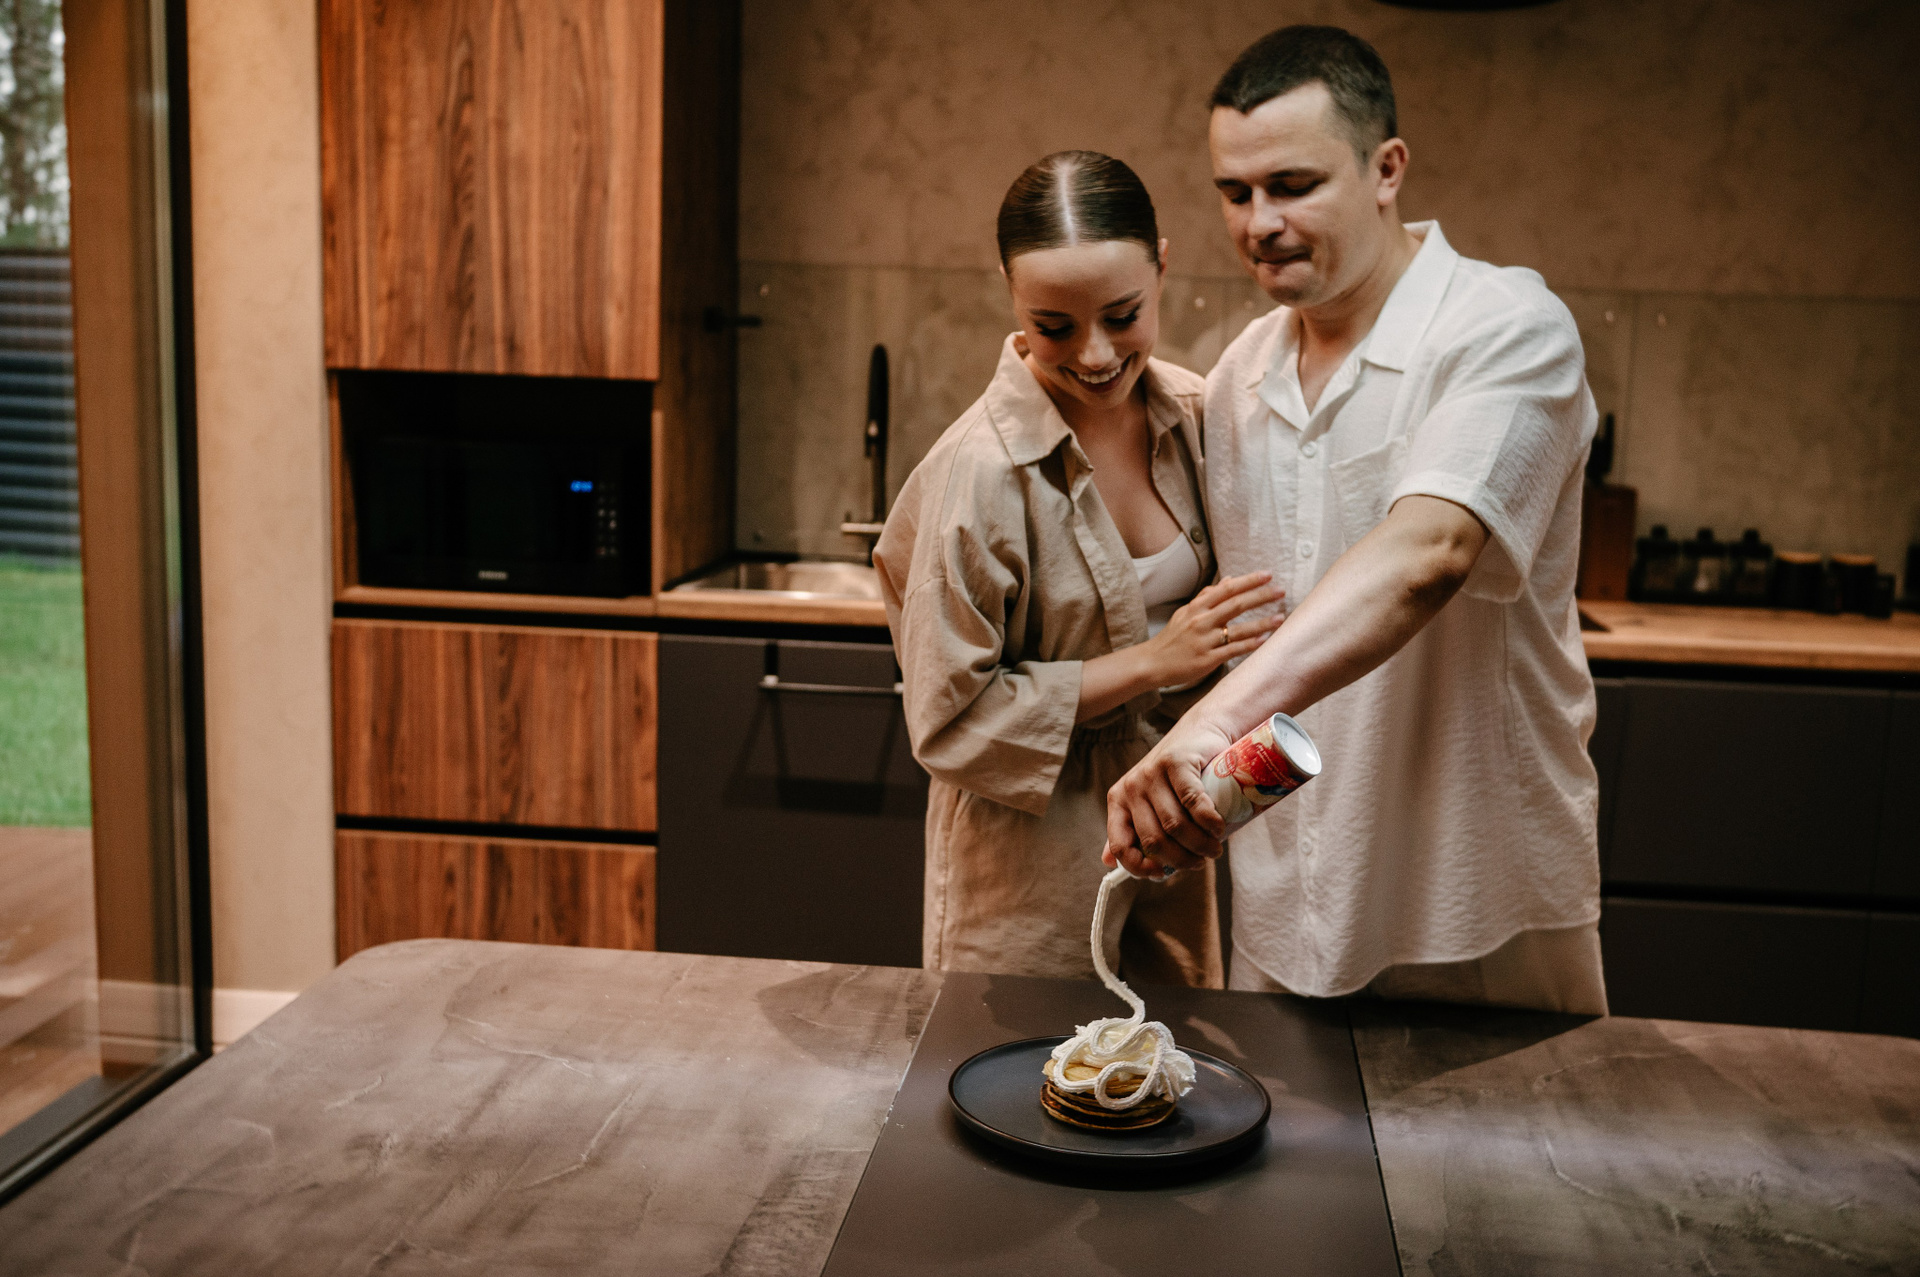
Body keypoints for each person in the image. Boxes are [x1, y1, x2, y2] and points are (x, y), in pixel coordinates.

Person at [1104, 26, 1608, 1015]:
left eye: (1293, 185)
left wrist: (1208, 722)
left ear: (1387, 169)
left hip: (1475, 910)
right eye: (1235, 192)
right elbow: (1264, 636)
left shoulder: (1504, 328)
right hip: (1288, 908)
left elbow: (1429, 553)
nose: (1259, 223)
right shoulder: (1240, 374)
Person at [875, 151, 1282, 986]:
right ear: (1009, 291)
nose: (1095, 354)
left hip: (1174, 822)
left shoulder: (1198, 415)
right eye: (1054, 326)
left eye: (1123, 315)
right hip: (1027, 852)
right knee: (1027, 1059)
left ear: (1162, 266)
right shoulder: (978, 473)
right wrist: (1153, 662)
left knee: (1171, 1056)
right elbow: (949, 720)